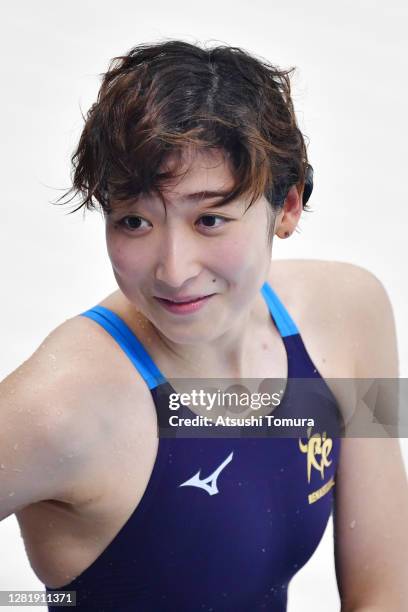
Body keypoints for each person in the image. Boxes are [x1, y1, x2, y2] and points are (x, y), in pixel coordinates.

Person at [1, 39, 407, 612]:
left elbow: (387, 593)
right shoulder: (60, 405)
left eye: (209, 218)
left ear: (287, 207)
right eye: (134, 220)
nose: (173, 269)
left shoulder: (353, 314)